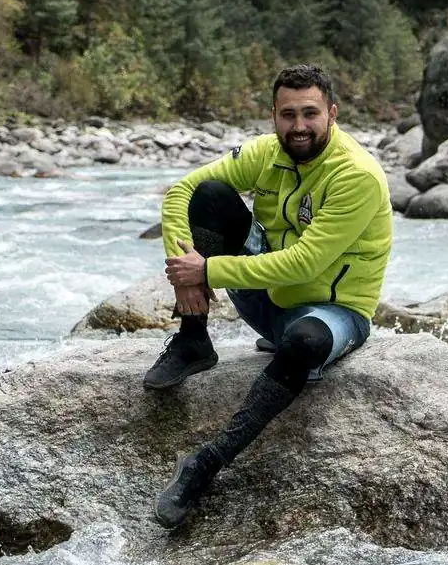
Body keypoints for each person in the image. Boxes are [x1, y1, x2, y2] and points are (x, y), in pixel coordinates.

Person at [145, 63, 394, 529]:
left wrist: (210, 268)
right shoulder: (267, 153)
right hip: (269, 301)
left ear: (332, 114)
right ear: (273, 117)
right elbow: (180, 192)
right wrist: (187, 281)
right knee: (212, 195)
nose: (298, 126)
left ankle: (205, 465)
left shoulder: (355, 174)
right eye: (288, 115)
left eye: (309, 114)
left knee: (303, 342)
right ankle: (192, 340)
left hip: (333, 312)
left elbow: (305, 263)